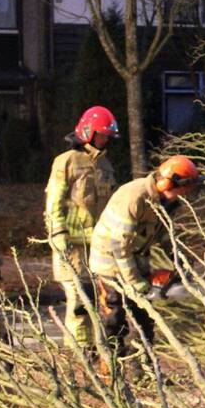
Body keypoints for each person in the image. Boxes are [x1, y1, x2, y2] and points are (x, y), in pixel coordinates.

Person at [88, 155, 204, 359]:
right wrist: (136, 282)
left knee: (145, 319)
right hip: (110, 263)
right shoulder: (135, 197)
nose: (187, 194)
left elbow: (166, 236)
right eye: (186, 188)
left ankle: (144, 371)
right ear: (169, 183)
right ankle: (111, 373)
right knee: (115, 318)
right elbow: (119, 245)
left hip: (136, 259)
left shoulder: (166, 202)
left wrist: (181, 260)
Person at [44, 106, 119, 348]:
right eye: (102, 134)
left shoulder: (105, 165)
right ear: (88, 132)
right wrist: (58, 232)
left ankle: (101, 349)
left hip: (98, 245)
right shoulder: (66, 162)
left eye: (108, 136)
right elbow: (54, 199)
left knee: (104, 300)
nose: (106, 139)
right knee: (79, 301)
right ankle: (82, 352)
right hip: (72, 246)